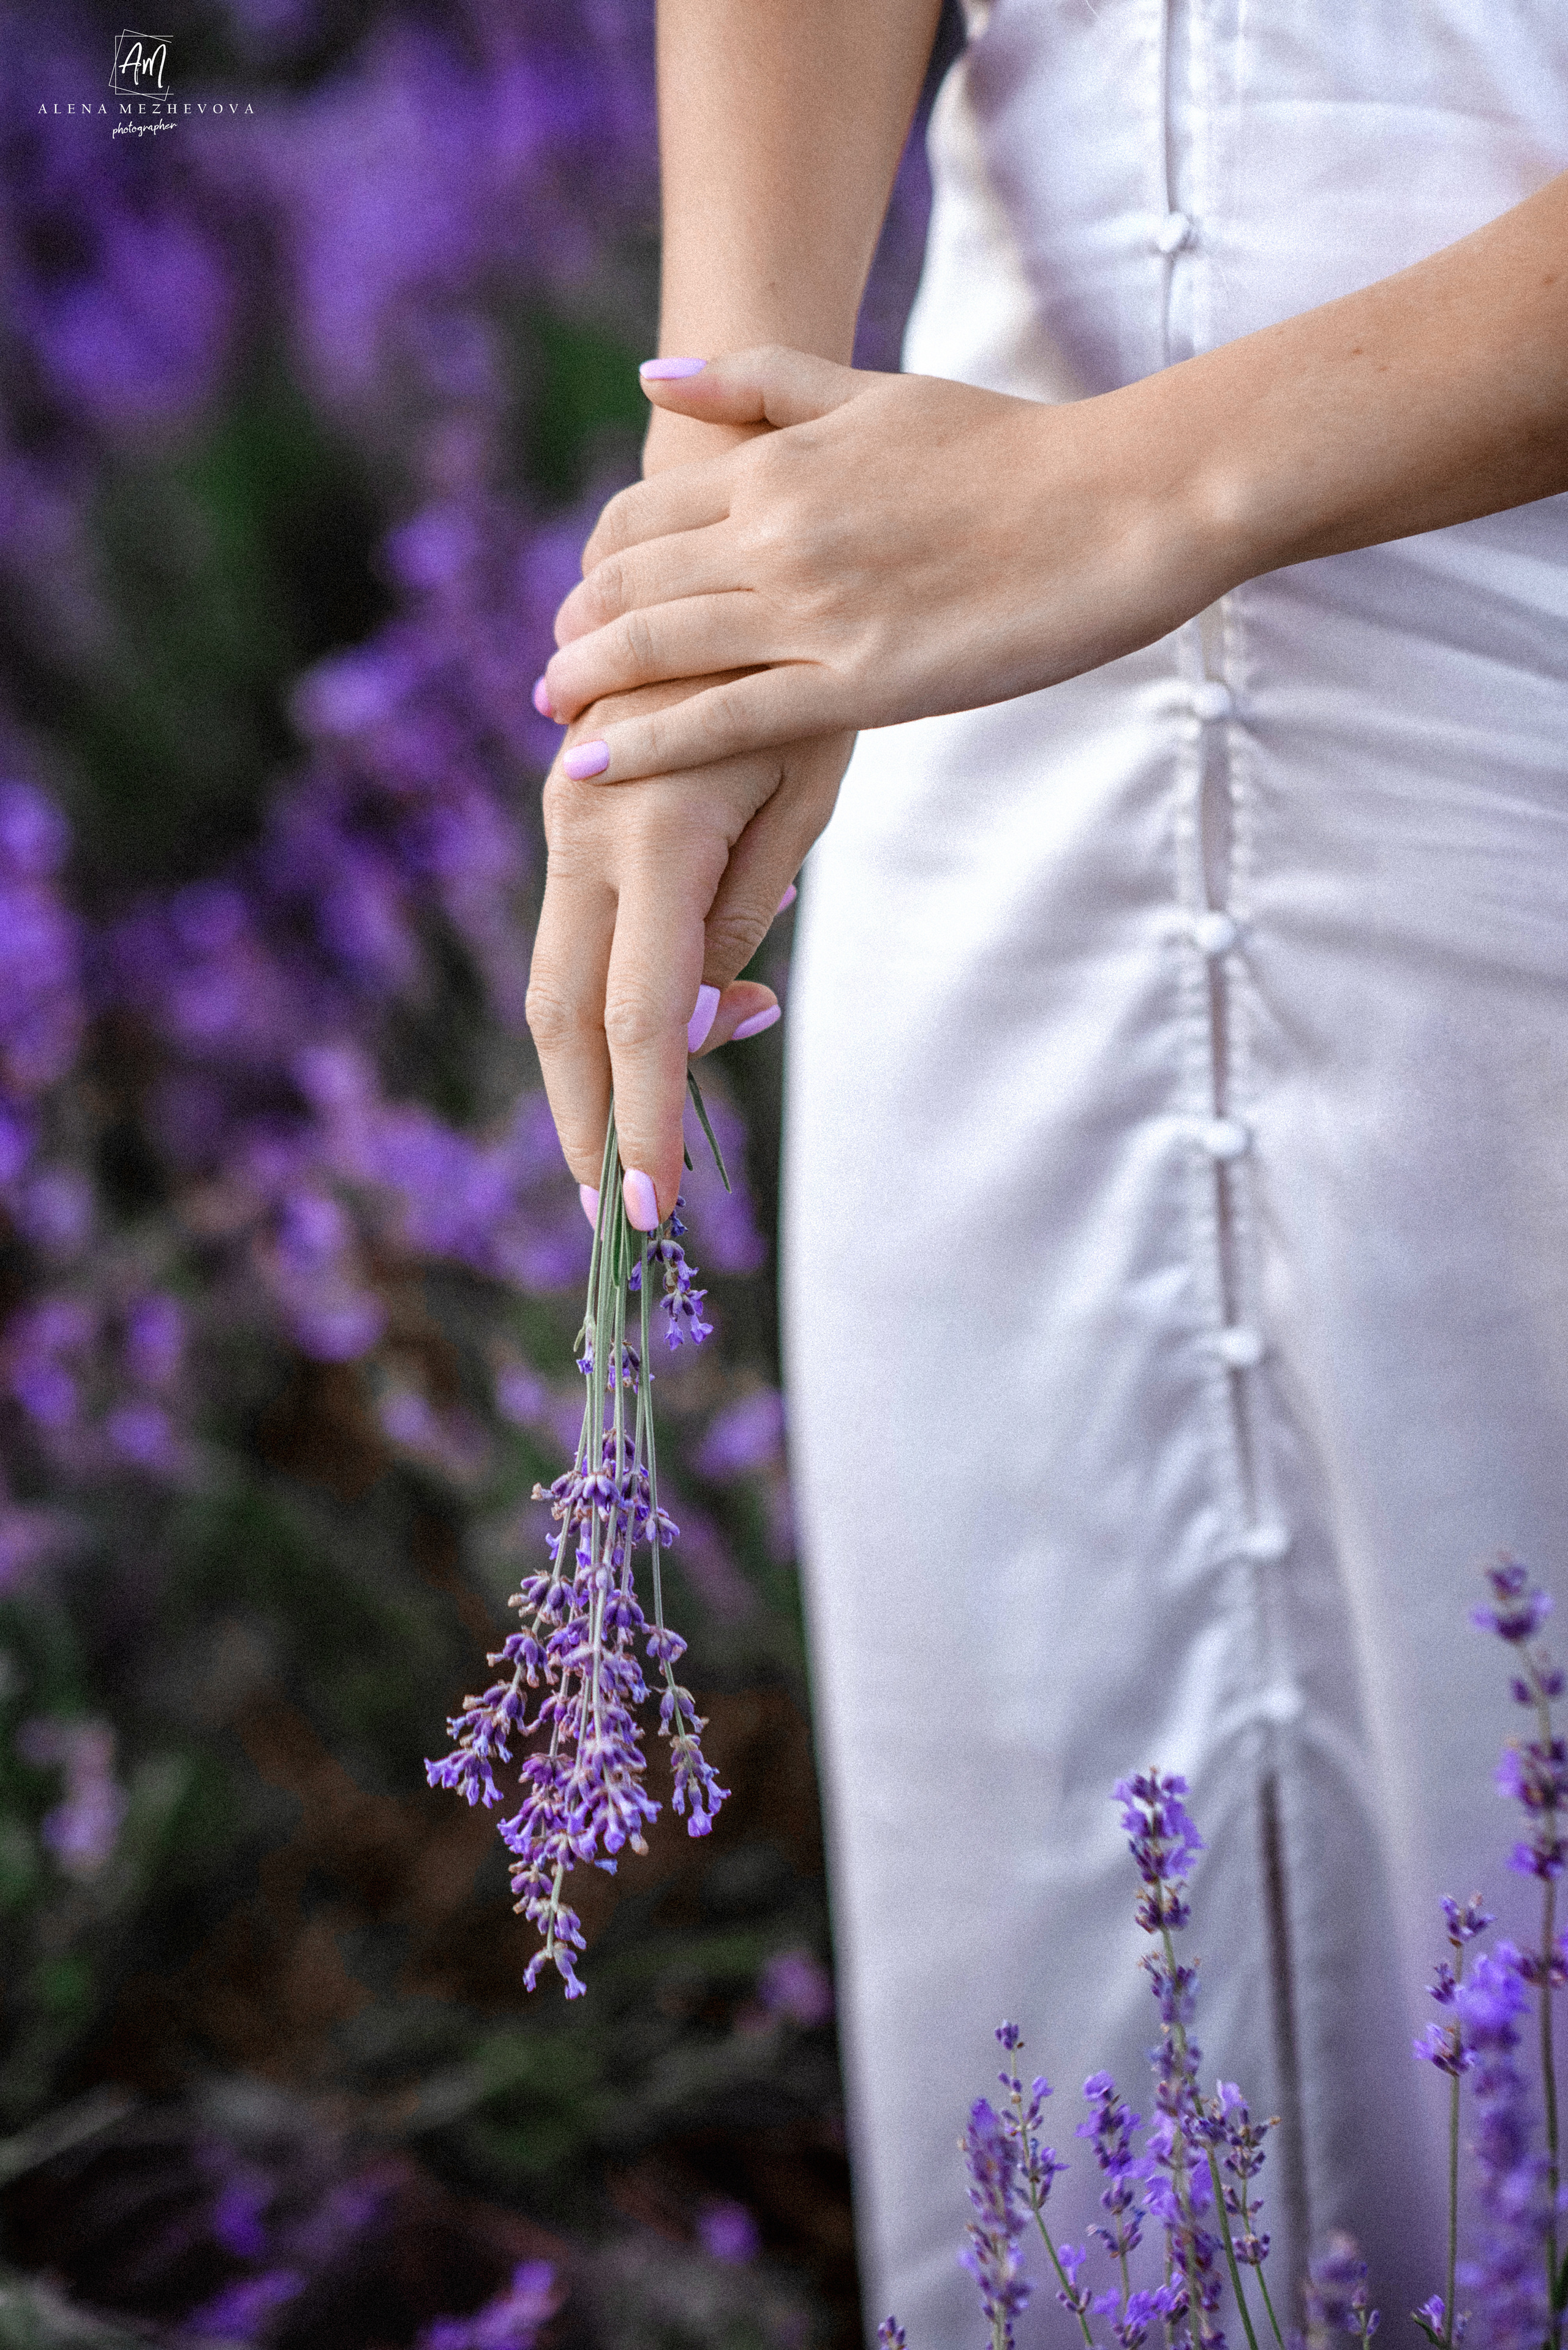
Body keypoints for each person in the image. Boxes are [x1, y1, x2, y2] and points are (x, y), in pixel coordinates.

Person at [522, 2, 1568, 2340]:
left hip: (1501, 712)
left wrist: (1123, 497)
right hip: (976, 727)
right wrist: (719, 570)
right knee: (1063, 2046)